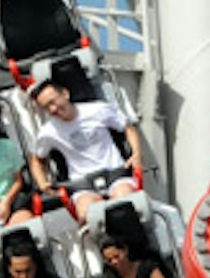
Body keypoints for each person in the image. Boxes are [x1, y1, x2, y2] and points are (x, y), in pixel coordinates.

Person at [27, 80, 143, 214]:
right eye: (47, 107)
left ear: (65, 94)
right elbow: (36, 159)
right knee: (87, 213)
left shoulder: (98, 110)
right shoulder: (48, 132)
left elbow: (128, 128)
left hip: (115, 173)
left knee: (125, 202)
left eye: (53, 102)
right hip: (82, 185)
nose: (53, 109)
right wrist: (42, 183)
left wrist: (136, 154)